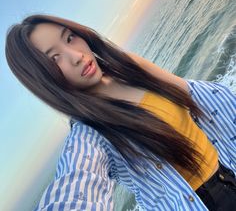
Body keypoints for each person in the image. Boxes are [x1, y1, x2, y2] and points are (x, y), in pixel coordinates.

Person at [5, 14, 236, 211]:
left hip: (229, 167)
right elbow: (77, 185)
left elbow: (193, 93)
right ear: (44, 79)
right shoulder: (89, 133)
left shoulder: (129, 69)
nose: (76, 56)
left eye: (70, 38)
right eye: (55, 59)